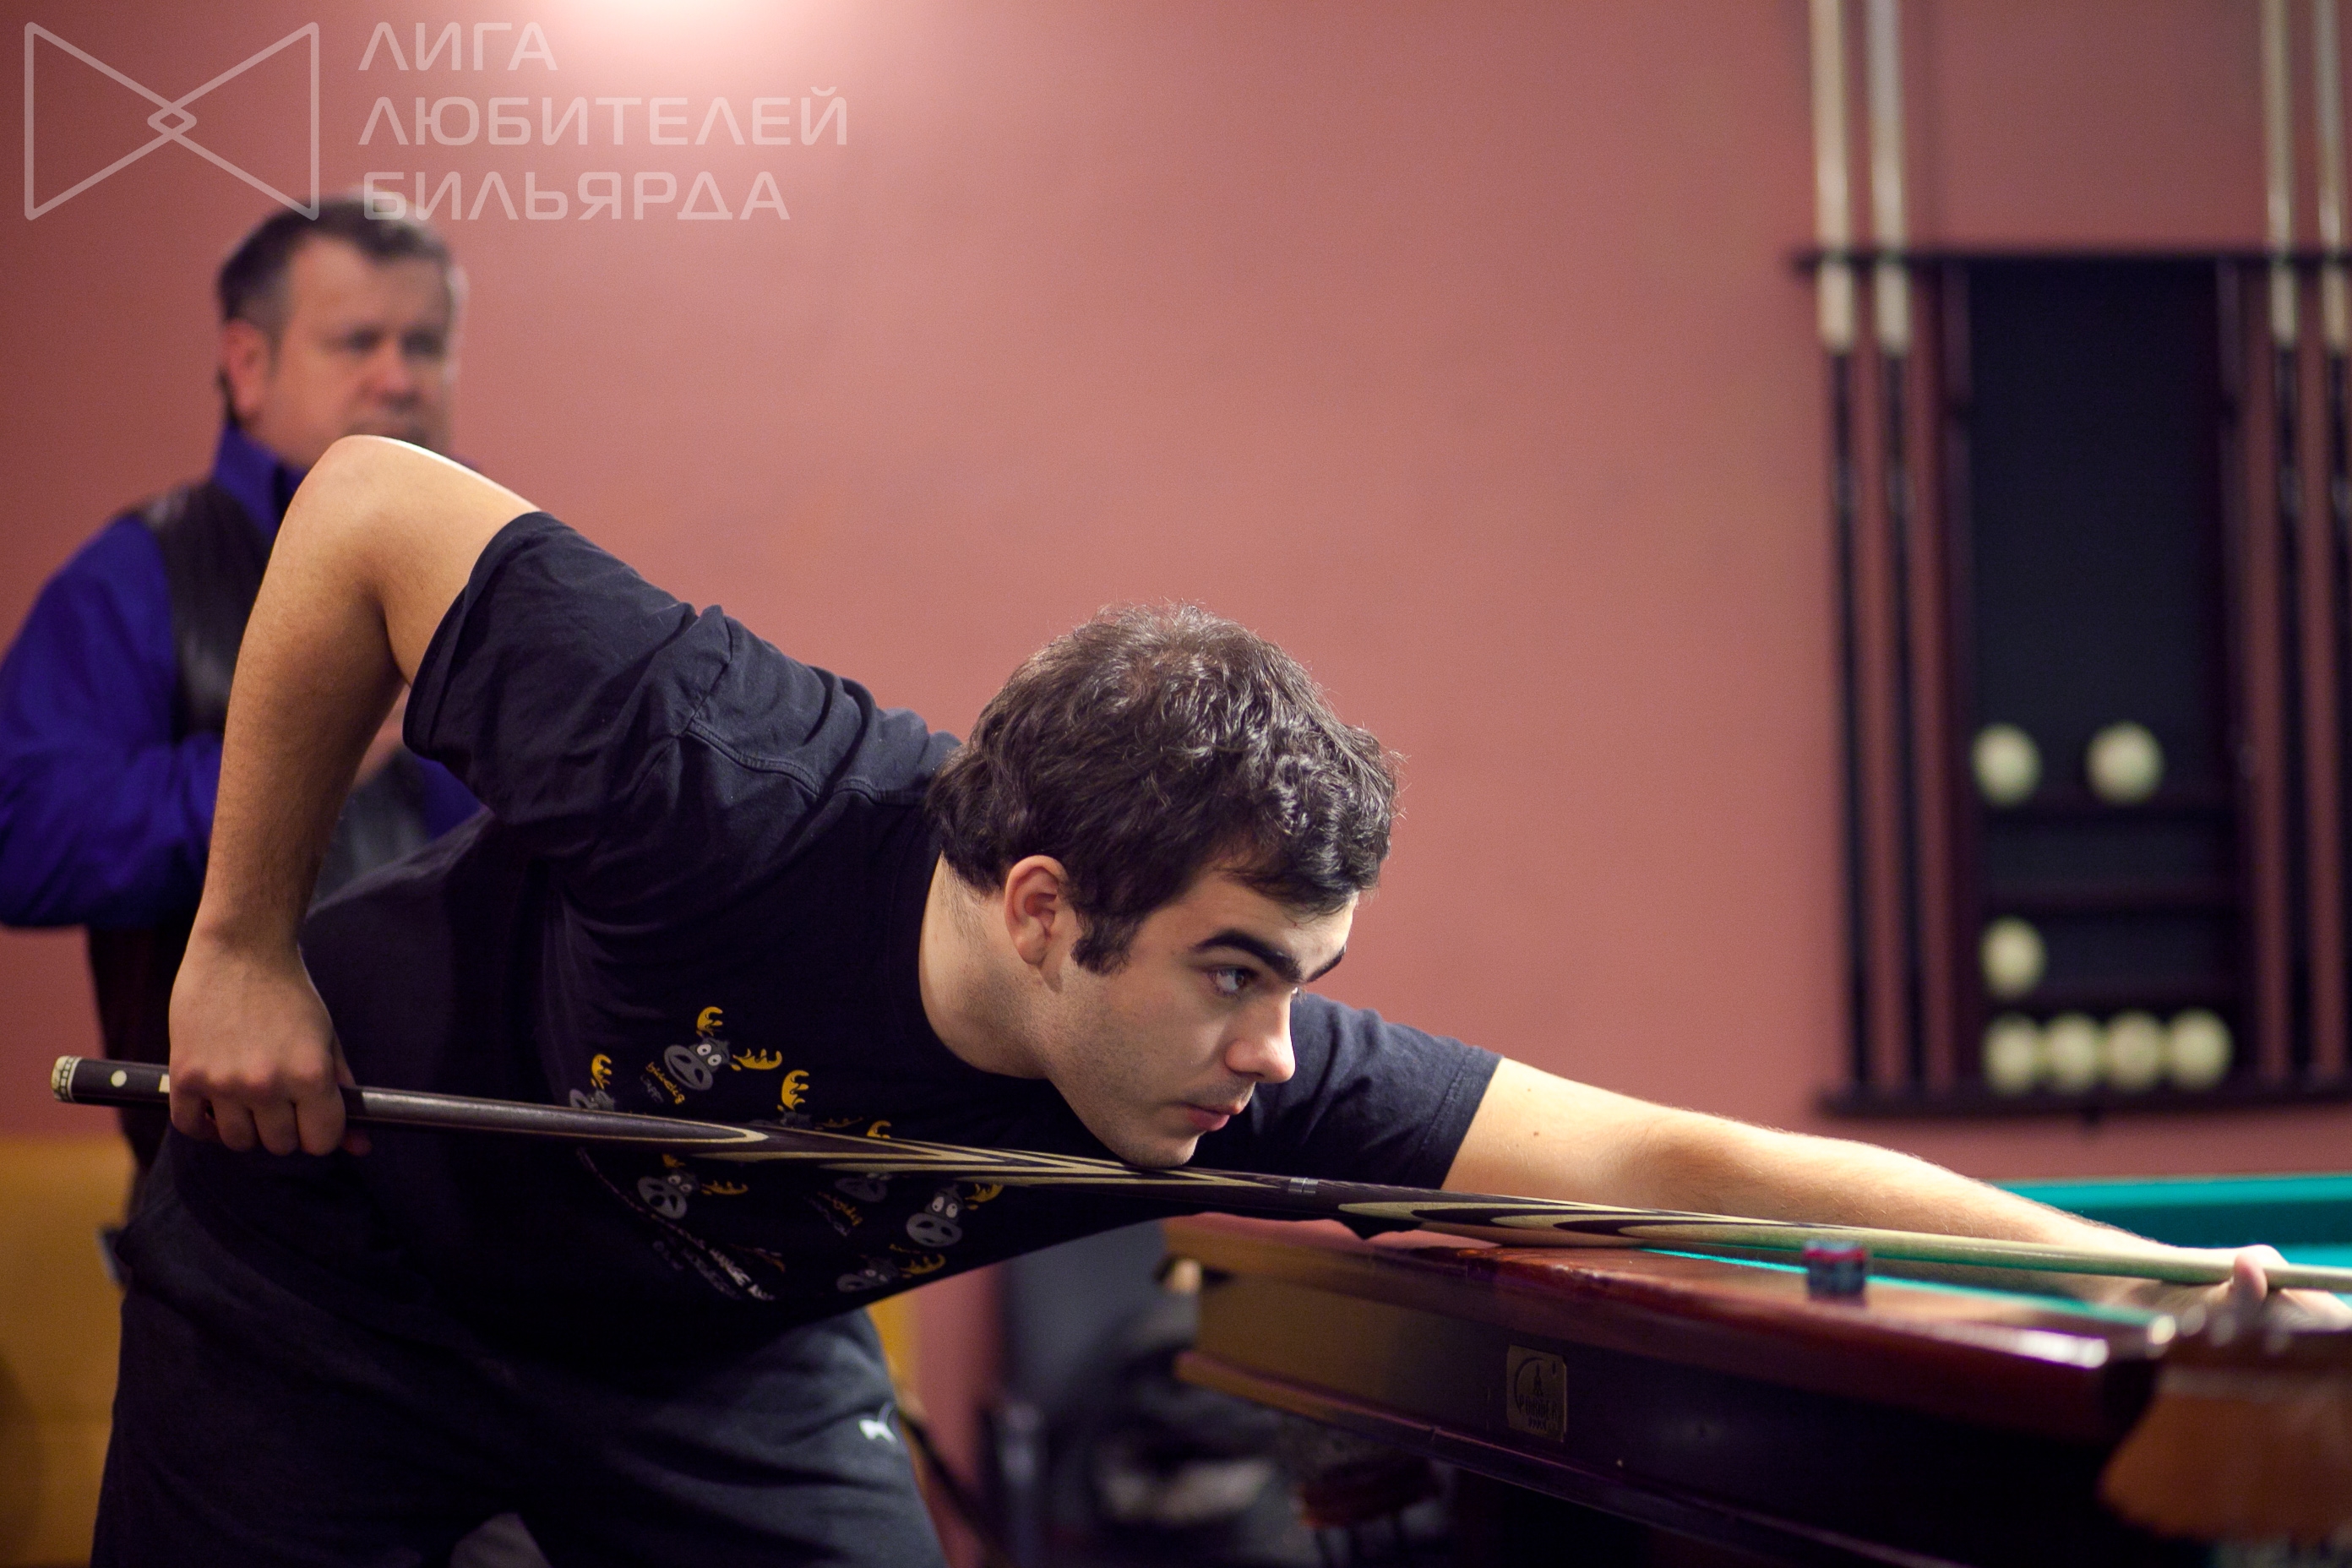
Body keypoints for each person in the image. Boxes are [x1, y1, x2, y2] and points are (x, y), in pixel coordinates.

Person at [106, 436, 2328, 1565]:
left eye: (1306, 982)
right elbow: (370, 509)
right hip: (332, 1267)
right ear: (1047, 906)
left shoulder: (1228, 1072)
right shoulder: (731, 776)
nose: (1277, 1050)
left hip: (709, 1355)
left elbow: (1661, 1155)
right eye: (1239, 974)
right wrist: (243, 945)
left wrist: (2164, 1280)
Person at [0, 199, 479, 1179]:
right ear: (249, 365)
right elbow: (20, 839)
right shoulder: (136, 576)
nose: (400, 377)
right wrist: (305, 746)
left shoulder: (498, 580)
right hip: (237, 1207)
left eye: (425, 344)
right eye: (358, 341)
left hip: (492, 1191)